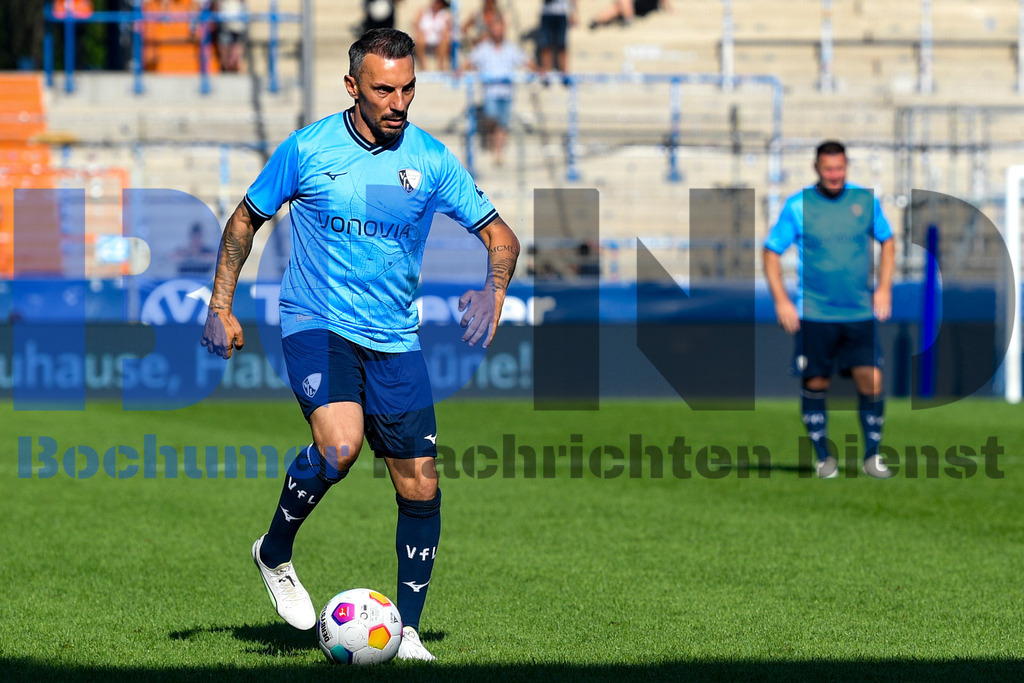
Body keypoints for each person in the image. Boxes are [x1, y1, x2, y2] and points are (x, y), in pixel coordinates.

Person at [200, 28, 520, 661]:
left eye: (407, 89)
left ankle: (408, 634)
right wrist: (220, 305)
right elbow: (245, 219)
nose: (398, 102)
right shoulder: (309, 149)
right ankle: (275, 551)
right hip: (315, 322)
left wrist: (493, 289)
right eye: (383, 89)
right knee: (341, 446)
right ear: (353, 86)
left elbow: (502, 236)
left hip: (394, 336)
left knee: (420, 486)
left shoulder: (429, 160)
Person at [763, 140, 895, 480]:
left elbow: (888, 240)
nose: (834, 175)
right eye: (828, 169)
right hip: (815, 313)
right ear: (816, 168)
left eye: (839, 168)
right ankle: (823, 457)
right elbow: (771, 250)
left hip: (859, 313)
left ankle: (872, 456)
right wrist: (781, 299)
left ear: (846, 167)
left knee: (873, 380)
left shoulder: (864, 202)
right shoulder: (799, 205)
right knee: (816, 381)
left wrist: (883, 288)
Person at [465, 16, 531, 166]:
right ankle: (490, 136)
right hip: (491, 92)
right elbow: (470, 61)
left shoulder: (511, 48)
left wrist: (539, 70)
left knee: (502, 123)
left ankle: (498, 152)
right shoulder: (483, 48)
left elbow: (525, 61)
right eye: (496, 29)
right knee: (492, 116)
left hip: (506, 92)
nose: (498, 32)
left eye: (501, 29)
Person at [537, 0, 576, 85]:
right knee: (545, 45)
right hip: (547, 12)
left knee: (562, 44)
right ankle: (546, 73)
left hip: (562, 12)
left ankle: (564, 74)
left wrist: (573, 11)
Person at [414, 0, 452, 70]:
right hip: (425, 37)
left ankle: (441, 65)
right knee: (419, 39)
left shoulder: (445, 15)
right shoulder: (423, 12)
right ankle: (423, 66)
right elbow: (416, 25)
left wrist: (444, 33)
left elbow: (448, 29)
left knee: (445, 40)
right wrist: (420, 32)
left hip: (438, 38)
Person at [589, 0, 672, 30]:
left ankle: (628, 20)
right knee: (616, 7)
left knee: (619, 5)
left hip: (647, 4)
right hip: (633, 6)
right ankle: (596, 21)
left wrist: (668, 8)